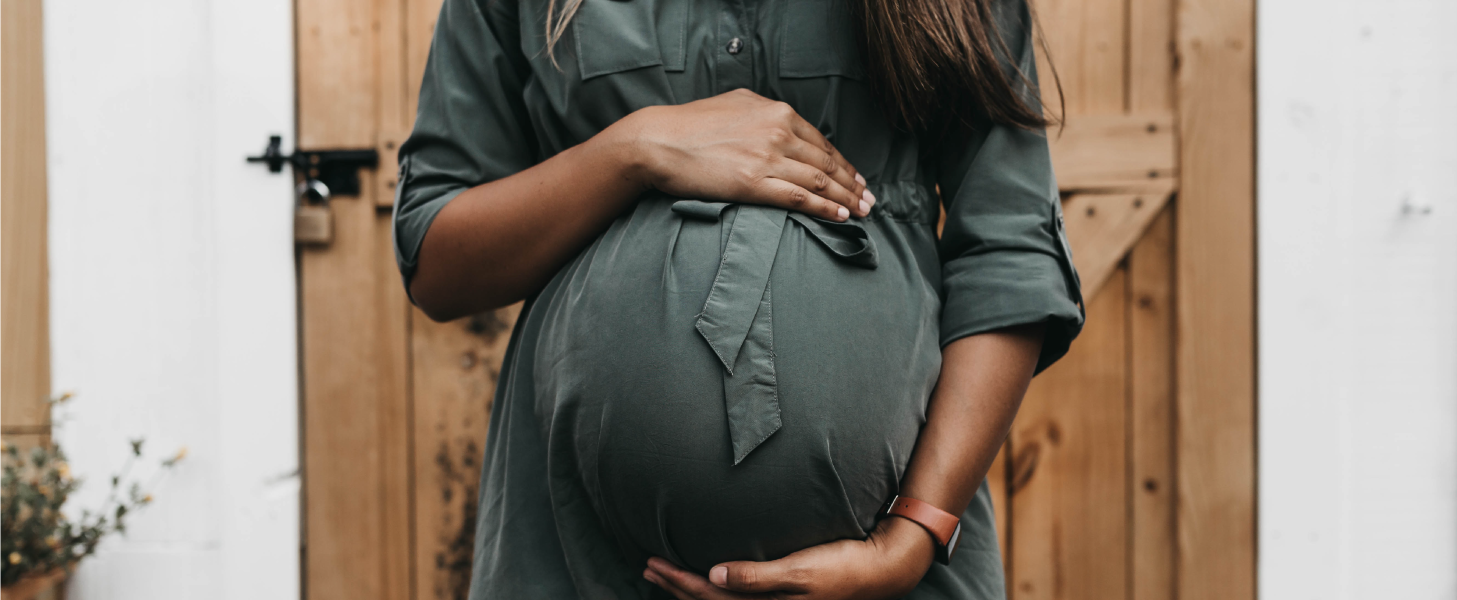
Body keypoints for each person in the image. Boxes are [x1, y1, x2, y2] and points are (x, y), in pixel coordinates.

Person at [392, 0, 1083, 597]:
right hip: (577, 559)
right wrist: (632, 149)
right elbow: (438, 264)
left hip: (893, 566)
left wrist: (913, 535)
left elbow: (1008, 251)